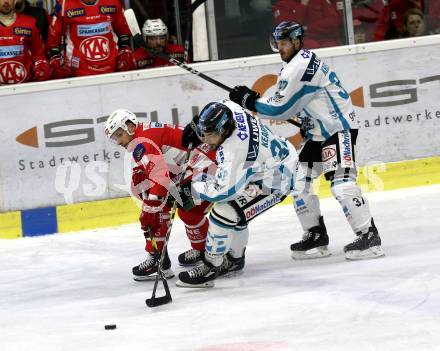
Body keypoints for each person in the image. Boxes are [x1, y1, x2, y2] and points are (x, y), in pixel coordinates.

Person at [228, 21, 385, 261]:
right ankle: (316, 235)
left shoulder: (300, 66)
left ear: (298, 41)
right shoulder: (296, 64)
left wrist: (249, 100)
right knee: (299, 181)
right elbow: (298, 104)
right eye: (277, 43)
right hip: (320, 134)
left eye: (284, 43)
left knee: (342, 184)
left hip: (337, 131)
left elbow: (281, 108)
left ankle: (369, 236)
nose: (280, 48)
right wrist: (308, 119)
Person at [104, 109, 244, 281]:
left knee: (188, 211)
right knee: (153, 200)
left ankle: (208, 255)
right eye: (114, 138)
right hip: (190, 167)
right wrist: (142, 178)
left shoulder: (143, 140)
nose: (118, 141)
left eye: (119, 135)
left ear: (130, 127)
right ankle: (158, 258)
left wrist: (151, 208)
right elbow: (154, 167)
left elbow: (160, 177)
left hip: (209, 164)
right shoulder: (140, 136)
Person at [175, 100, 301, 288]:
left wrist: (193, 190)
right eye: (203, 134)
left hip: (275, 181)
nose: (205, 139)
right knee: (236, 216)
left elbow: (222, 192)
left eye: (210, 135)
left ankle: (211, 266)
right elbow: (222, 102)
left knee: (224, 212)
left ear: (225, 130)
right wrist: (196, 125)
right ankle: (235, 260)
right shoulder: (231, 110)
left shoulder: (236, 150)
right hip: (270, 163)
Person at [46, 0, 136, 78]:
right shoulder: (64, 4)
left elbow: (123, 31)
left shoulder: (113, 2)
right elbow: (53, 37)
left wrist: (124, 49)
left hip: (111, 69)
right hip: (77, 72)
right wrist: (55, 58)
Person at [0, 0, 50, 84]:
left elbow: (39, 54)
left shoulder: (29, 23)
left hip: (25, 87)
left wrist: (41, 69)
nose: (6, 1)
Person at [272, 0, 344, 48]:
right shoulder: (283, 5)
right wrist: (303, 5)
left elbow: (333, 22)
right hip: (301, 44)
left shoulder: (320, 1)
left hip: (327, 40)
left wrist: (307, 28)